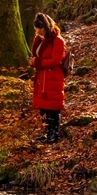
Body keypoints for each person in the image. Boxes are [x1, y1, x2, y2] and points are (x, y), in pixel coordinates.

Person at [30, 12, 67, 143]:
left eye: (40, 29)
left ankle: (53, 133)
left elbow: (55, 60)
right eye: (37, 30)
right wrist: (34, 62)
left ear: (46, 27)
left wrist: (38, 62)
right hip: (43, 78)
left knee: (53, 107)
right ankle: (47, 132)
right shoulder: (41, 40)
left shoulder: (57, 41)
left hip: (53, 77)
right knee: (44, 107)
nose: (38, 32)